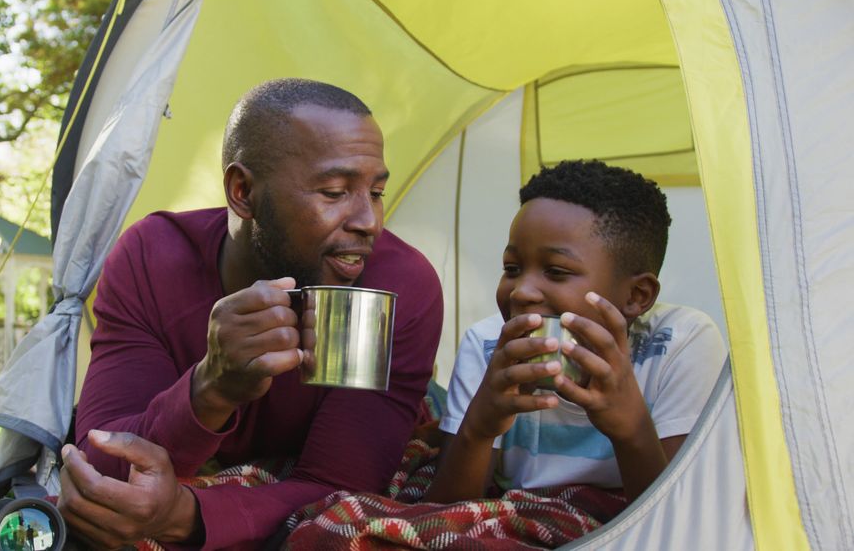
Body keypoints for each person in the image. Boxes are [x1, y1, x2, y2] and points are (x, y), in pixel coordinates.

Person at [57, 78, 443, 549]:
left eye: (376, 193)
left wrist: (185, 515)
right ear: (243, 191)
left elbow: (341, 488)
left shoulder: (402, 285)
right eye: (335, 191)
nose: (369, 222)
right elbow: (102, 474)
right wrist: (211, 386)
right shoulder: (150, 260)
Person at [424, 159, 726, 505]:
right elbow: (446, 512)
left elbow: (682, 519)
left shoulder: (679, 344)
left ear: (636, 296)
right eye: (512, 268)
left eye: (555, 271)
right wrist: (480, 425)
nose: (521, 291)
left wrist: (630, 427)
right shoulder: (488, 344)